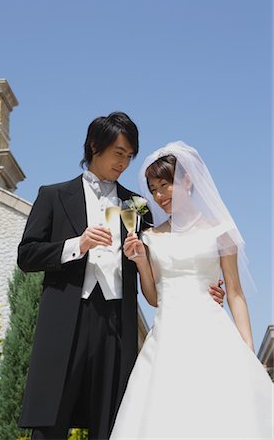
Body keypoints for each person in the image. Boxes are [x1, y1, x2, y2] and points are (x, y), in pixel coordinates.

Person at [17, 118, 225, 440]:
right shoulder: (53, 196)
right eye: (119, 153)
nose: (124, 163)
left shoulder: (137, 206)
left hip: (117, 321)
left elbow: (160, 263)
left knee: (112, 419)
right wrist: (77, 245)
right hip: (67, 318)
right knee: (51, 420)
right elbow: (27, 256)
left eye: (129, 156)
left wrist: (203, 288)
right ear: (94, 147)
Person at [110, 141, 273, 439]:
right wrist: (141, 262)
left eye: (165, 185)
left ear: (187, 180)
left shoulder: (220, 231)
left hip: (212, 331)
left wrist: (247, 350)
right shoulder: (150, 237)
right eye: (153, 188)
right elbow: (154, 298)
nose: (159, 195)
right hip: (167, 334)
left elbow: (235, 293)